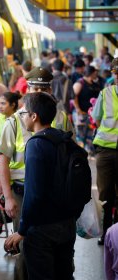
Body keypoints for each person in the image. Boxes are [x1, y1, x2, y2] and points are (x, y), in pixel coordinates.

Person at [0, 67, 74, 280]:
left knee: (60, 255)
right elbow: (2, 159)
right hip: (24, 195)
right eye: (34, 87)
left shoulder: (62, 118)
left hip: (58, 195)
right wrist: (9, 198)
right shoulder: (14, 121)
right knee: (26, 251)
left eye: (43, 87)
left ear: (50, 89)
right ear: (26, 90)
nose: (39, 91)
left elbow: (72, 156)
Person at [92, 57, 118, 246]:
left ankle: (109, 232)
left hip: (106, 152)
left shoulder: (105, 93)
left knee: (105, 194)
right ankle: (110, 231)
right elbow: (97, 119)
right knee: (106, 195)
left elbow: (97, 119)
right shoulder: (105, 93)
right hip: (107, 150)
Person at [73, 65, 101, 154]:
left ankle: (90, 151)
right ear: (92, 73)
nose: (96, 74)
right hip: (82, 114)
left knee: (91, 133)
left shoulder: (95, 84)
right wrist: (78, 109)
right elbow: (74, 97)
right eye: (95, 72)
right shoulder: (80, 83)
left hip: (92, 115)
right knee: (81, 134)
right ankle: (81, 152)